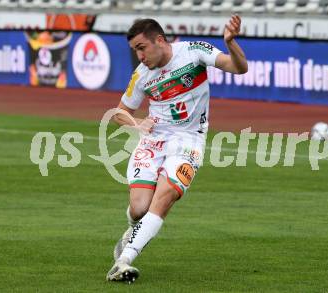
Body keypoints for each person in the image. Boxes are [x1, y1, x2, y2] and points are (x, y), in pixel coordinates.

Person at [107, 15, 248, 283]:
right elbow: (118, 113)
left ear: (159, 40)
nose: (139, 56)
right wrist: (137, 122)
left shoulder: (194, 52)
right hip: (153, 141)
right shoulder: (141, 76)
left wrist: (230, 43)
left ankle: (124, 260)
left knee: (165, 197)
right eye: (135, 50)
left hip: (189, 141)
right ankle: (133, 230)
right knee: (139, 209)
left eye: (141, 47)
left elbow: (238, 67)